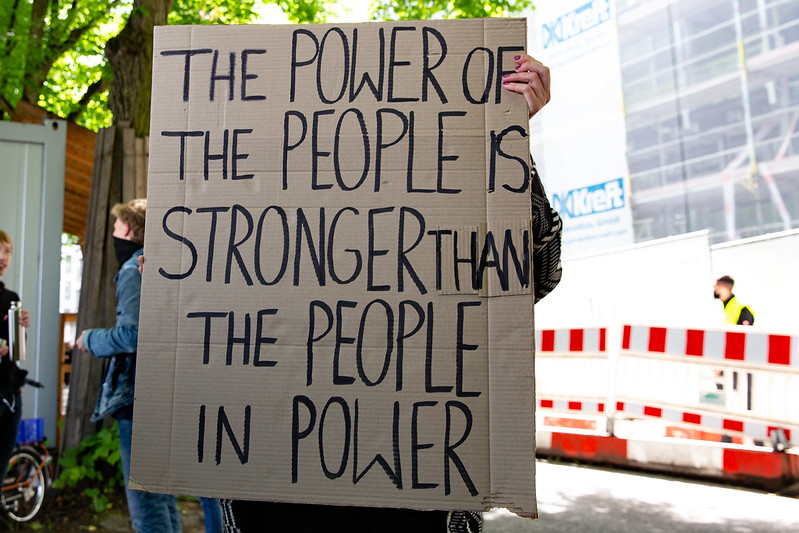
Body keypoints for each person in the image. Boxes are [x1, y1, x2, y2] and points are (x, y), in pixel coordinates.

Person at [140, 52, 560, 533]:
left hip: (420, 497)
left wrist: (506, 139)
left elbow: (533, 277)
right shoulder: (250, 231)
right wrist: (169, 289)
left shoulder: (438, 219)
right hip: (269, 497)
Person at [76, 199, 182, 533]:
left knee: (147, 505)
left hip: (137, 395)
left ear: (128, 229)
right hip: (160, 389)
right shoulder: (162, 264)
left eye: (116, 225)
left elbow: (133, 334)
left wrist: (89, 339)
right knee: (162, 498)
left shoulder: (132, 268)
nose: (112, 232)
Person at [0, 229, 30, 483]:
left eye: (7, 251)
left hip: (10, 394)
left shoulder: (11, 299)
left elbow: (18, 352)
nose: (3, 257)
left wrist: (19, 331)